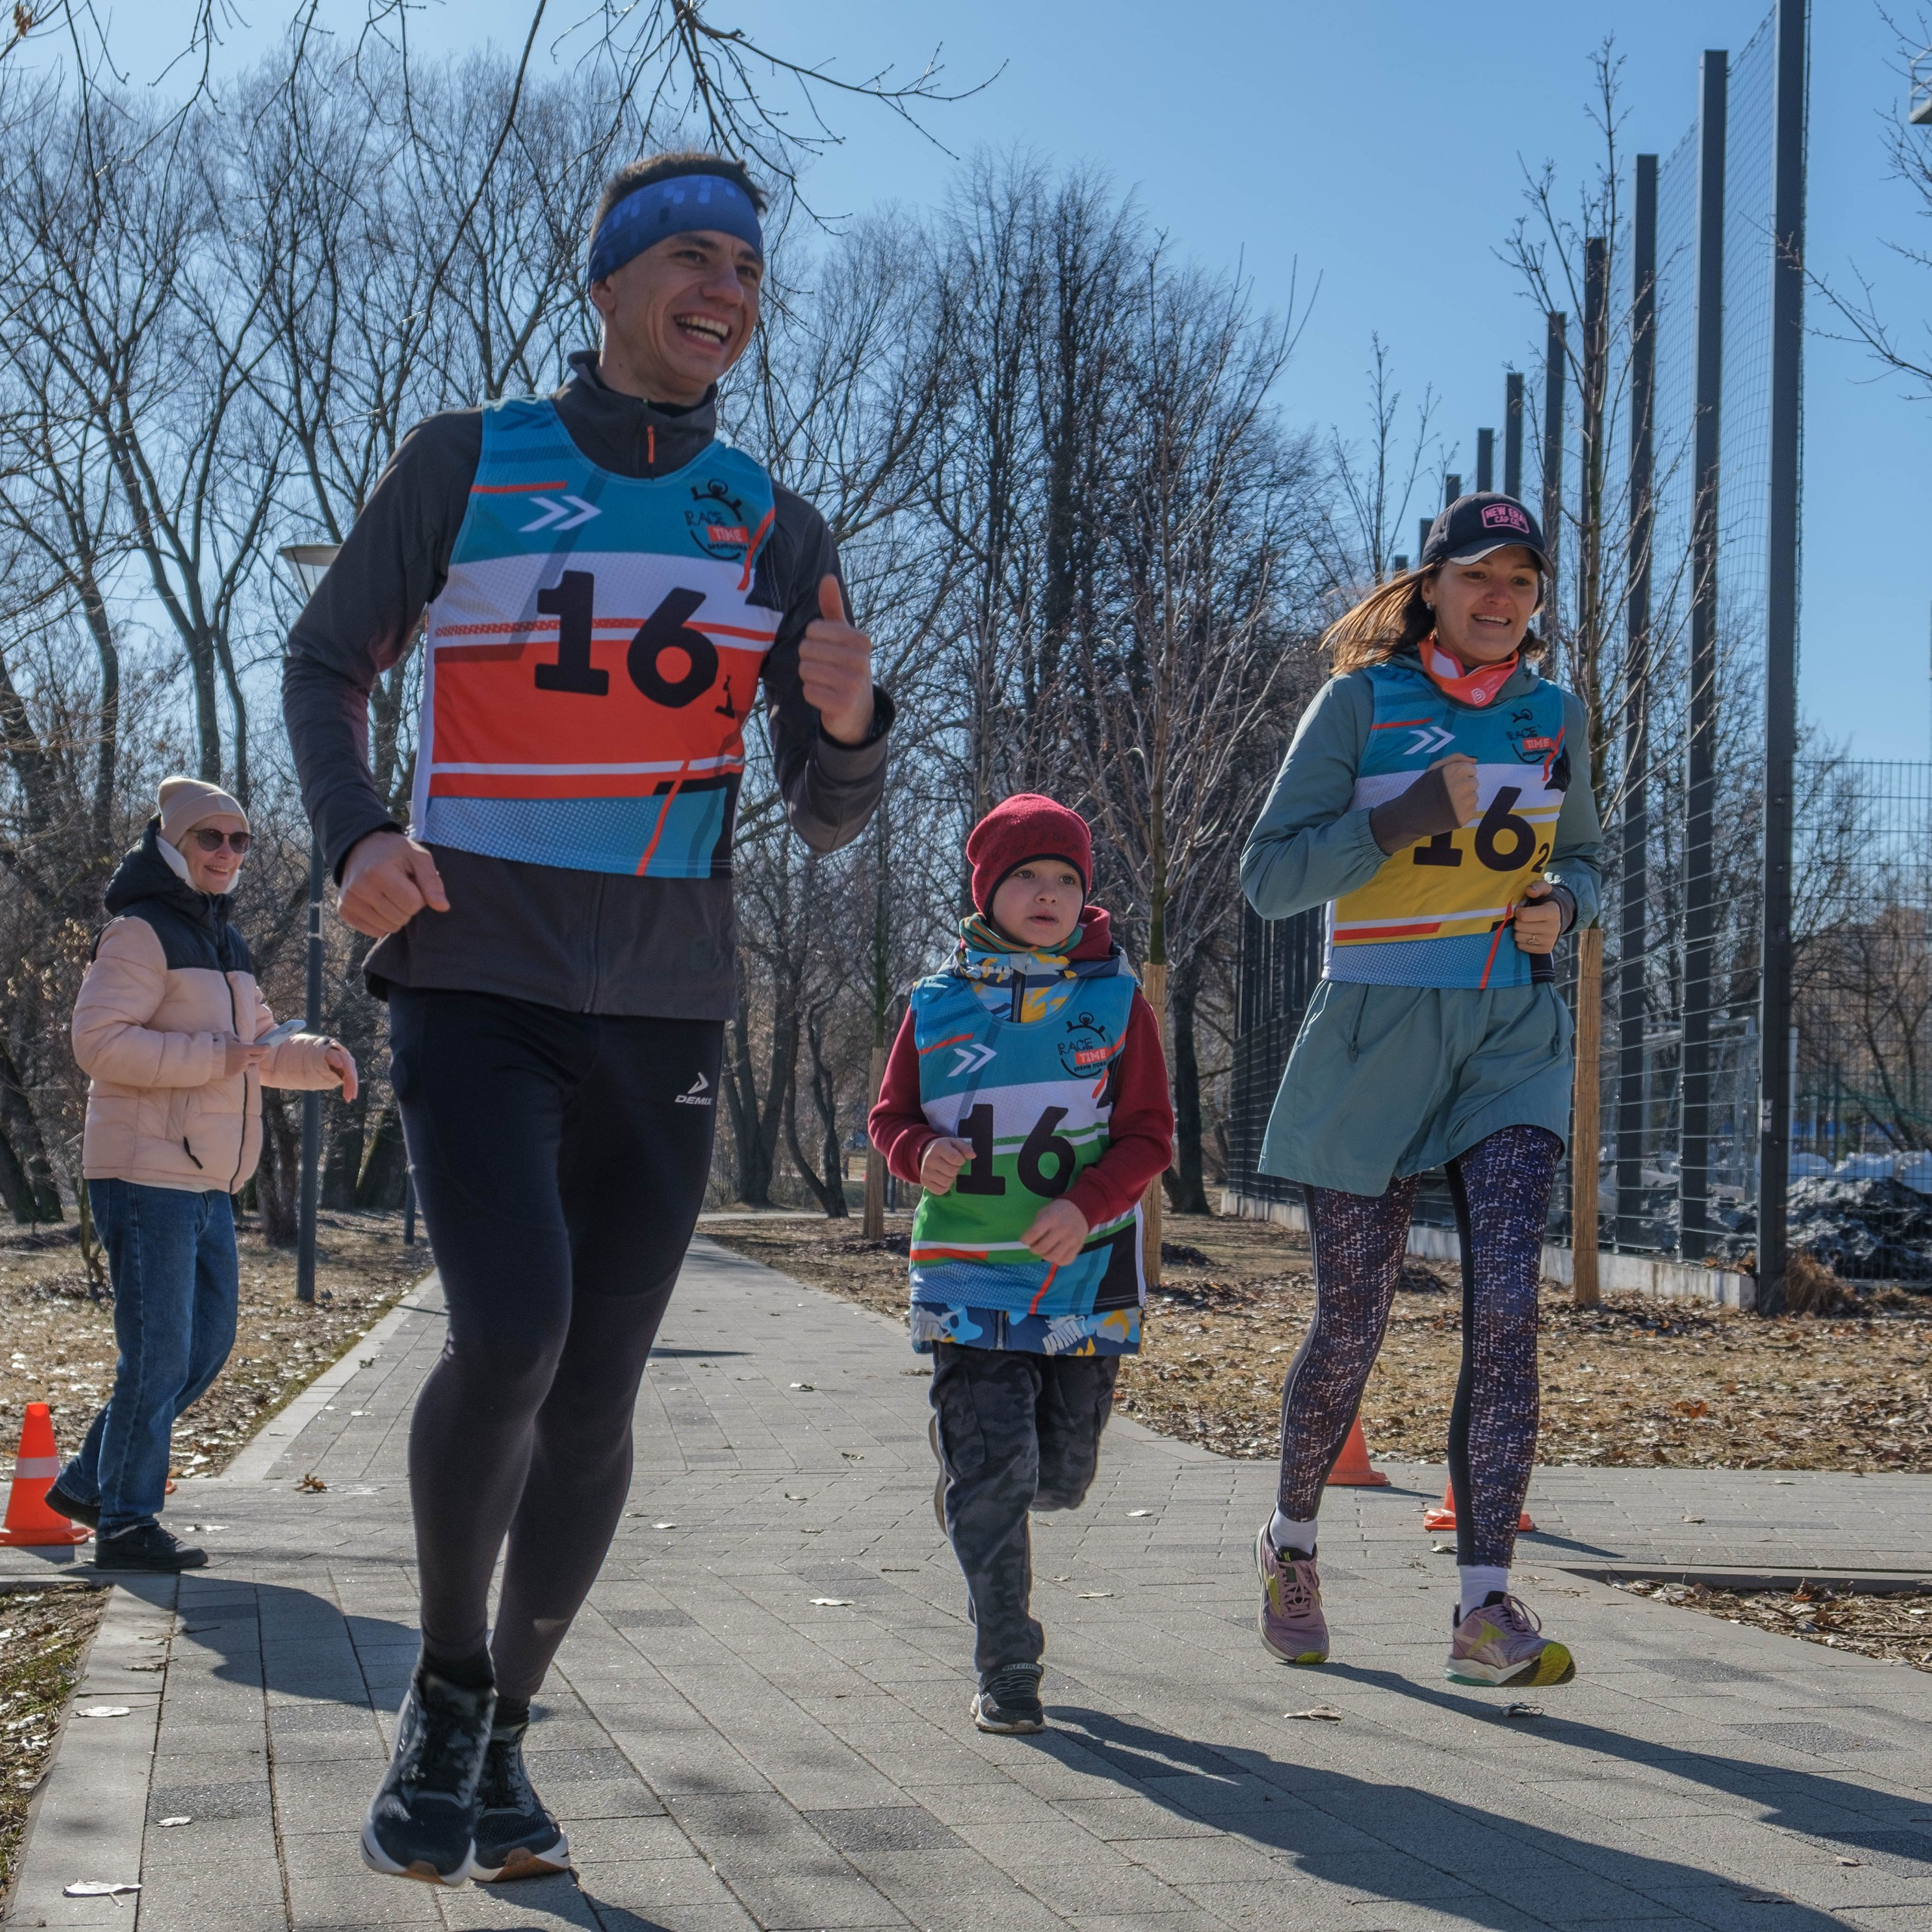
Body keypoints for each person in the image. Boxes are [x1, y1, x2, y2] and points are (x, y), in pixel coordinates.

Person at [283, 150, 890, 1887]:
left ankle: (501, 1739)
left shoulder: (773, 523)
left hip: (665, 1007)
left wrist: (852, 721)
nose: (727, 291)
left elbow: (825, 809)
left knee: (601, 1390)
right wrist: (357, 832)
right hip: (477, 974)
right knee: (511, 1336)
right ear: (608, 282)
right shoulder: (467, 461)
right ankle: (442, 1689)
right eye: (692, 257)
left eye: (748, 270)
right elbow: (325, 660)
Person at [1240, 493, 1601, 1690]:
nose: (1500, 599)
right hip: (1375, 1031)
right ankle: (1292, 1547)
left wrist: (1568, 906)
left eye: (1522, 581)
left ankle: (1484, 1606)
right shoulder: (1360, 705)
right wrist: (1400, 817)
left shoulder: (1556, 715)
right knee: (1354, 1318)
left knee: (1507, 1309)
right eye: (1478, 576)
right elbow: (1269, 879)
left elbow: (1585, 855)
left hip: (1510, 1035)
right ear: (1431, 588)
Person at [868, 795, 1172, 1734]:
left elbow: (1149, 1134)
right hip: (965, 1272)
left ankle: (972, 1483)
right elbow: (889, 1116)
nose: (1047, 894)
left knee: (1060, 1475)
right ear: (986, 892)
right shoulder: (936, 1003)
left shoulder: (1116, 1001)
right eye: (1026, 878)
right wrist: (918, 1150)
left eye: (1065, 879)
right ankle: (1008, 1663)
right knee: (997, 1472)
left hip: (1080, 1275)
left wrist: (1086, 1204)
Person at [47, 777, 356, 1572]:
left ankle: (87, 1482)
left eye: (238, 840)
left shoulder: (226, 940)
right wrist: (214, 1057)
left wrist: (318, 1054)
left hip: (208, 1179)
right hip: (144, 1171)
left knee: (205, 1345)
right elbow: (98, 1044)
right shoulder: (138, 932)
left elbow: (261, 1046)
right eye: (209, 838)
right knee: (157, 1354)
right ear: (172, 844)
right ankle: (125, 1522)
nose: (226, 852)